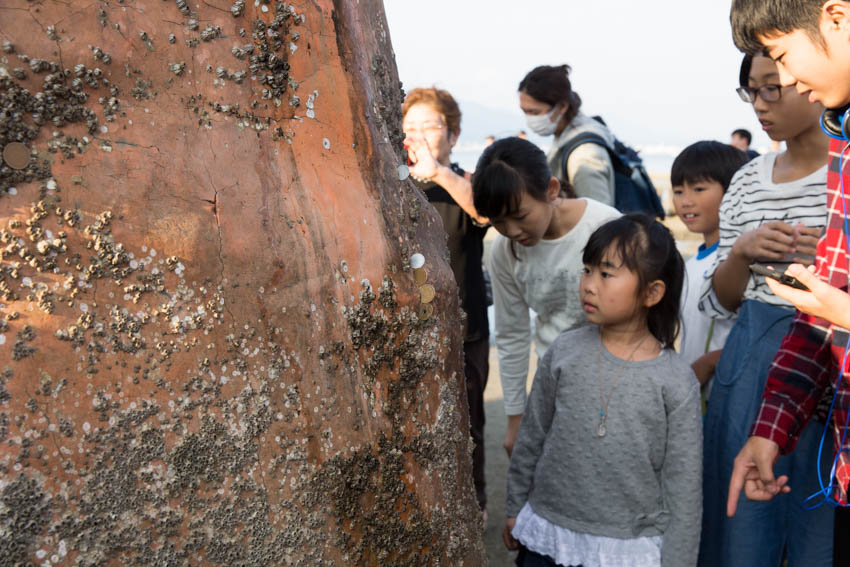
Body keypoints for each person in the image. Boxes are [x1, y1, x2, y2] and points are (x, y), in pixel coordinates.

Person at [502, 214, 702, 567]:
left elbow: (683, 487)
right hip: (548, 534)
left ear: (652, 292)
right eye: (587, 270)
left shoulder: (674, 379)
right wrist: (515, 506)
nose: (589, 284)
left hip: (627, 548)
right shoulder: (564, 351)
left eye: (606, 273)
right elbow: (532, 436)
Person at [697, 51, 832, 567]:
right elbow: (722, 299)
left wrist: (827, 259)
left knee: (814, 519)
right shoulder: (749, 182)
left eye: (772, 87)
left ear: (810, 82)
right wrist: (742, 251)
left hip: (822, 351)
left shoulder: (840, 175)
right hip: (750, 358)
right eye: (750, 91)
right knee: (742, 521)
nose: (760, 103)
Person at [727, 2, 850, 565]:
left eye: (781, 57)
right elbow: (823, 310)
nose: (788, 81)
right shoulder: (841, 145)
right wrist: (771, 429)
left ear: (835, 17)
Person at [471, 137, 619, 457]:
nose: (511, 231)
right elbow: (511, 335)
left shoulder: (605, 228)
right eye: (498, 223)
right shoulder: (505, 252)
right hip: (553, 381)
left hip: (613, 381)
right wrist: (515, 417)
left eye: (519, 216)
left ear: (552, 190)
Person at [401, 87, 491, 516]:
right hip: (411, 326)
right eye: (410, 127)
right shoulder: (394, 186)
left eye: (429, 126)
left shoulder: (465, 185)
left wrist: (437, 172)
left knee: (469, 423)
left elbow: (484, 214)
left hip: (466, 328)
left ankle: (476, 506)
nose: (418, 134)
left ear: (453, 135)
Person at [671, 141, 749, 387]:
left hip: (728, 394)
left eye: (698, 189)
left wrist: (707, 364)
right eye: (678, 191)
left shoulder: (740, 262)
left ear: (733, 192)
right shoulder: (690, 264)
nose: (686, 201)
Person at [518, 64, 617, 206]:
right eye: (524, 112)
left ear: (562, 106)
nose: (529, 120)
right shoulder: (564, 135)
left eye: (535, 113)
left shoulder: (585, 155)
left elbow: (600, 218)